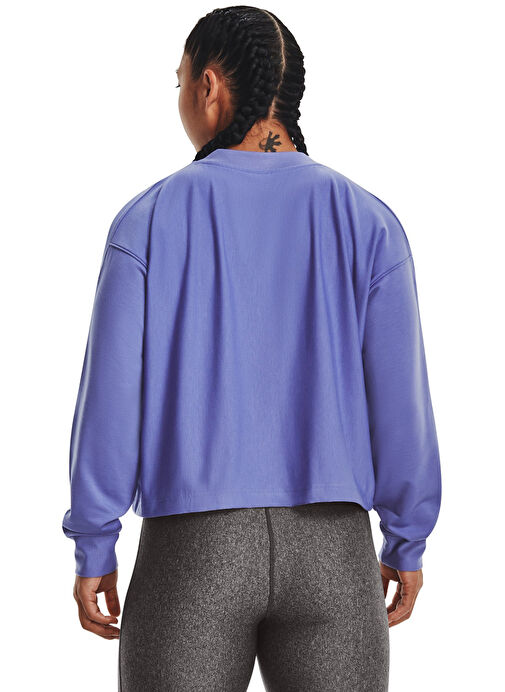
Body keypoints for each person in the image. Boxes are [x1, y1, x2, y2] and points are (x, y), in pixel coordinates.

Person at [62, 6, 442, 691]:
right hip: (333, 552)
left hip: (191, 552)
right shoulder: (368, 221)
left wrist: (95, 543)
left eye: (179, 81)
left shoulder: (148, 220)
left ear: (208, 86)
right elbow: (401, 402)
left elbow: (110, 403)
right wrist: (406, 539)